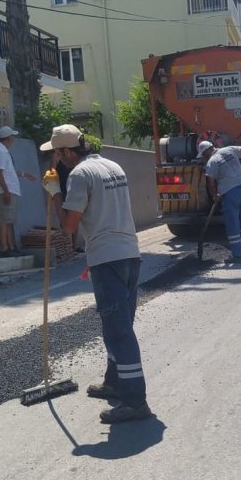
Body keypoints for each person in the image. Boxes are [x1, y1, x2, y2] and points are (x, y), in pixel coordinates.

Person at [41, 124, 152, 424]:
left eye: (57, 154)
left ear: (66, 151)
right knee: (119, 324)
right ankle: (114, 381)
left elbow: (69, 225)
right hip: (129, 253)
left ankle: (134, 400)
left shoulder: (78, 175)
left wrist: (54, 193)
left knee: (118, 331)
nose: (57, 160)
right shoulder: (112, 165)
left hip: (107, 257)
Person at [197, 140, 241, 264]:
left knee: (233, 223)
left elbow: (210, 184)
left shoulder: (211, 162)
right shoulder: (230, 149)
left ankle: (236, 256)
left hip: (230, 193)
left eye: (203, 154)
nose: (203, 157)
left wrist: (215, 196)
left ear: (207, 150)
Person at [0, 125, 37, 257]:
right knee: (5, 219)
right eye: (12, 137)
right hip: (7, 190)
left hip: (10, 190)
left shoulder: (3, 151)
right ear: (9, 138)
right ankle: (4, 248)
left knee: (9, 219)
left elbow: (8, 172)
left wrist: (24, 174)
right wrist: (5, 191)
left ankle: (11, 246)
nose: (14, 139)